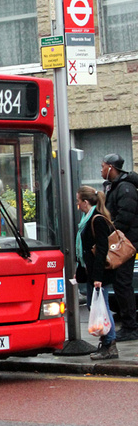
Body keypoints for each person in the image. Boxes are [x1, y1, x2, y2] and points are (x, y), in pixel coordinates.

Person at [76, 185, 119, 360]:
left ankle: (110, 344)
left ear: (85, 202)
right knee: (94, 307)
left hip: (98, 274)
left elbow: (101, 250)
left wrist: (98, 277)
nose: (77, 204)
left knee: (102, 308)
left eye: (78, 200)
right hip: (92, 272)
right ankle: (107, 342)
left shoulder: (97, 220)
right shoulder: (87, 219)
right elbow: (85, 250)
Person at [101, 153, 138, 341]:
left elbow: (125, 217)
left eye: (103, 167)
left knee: (123, 283)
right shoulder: (115, 187)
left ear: (111, 167)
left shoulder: (124, 188)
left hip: (126, 243)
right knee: (120, 283)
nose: (101, 170)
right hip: (123, 240)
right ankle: (129, 324)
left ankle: (131, 326)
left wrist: (111, 233)